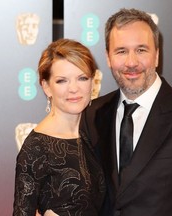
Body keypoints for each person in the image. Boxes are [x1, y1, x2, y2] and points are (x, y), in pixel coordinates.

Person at [80, 8, 172, 216]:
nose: (131, 62)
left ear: (157, 55)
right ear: (107, 57)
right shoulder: (91, 115)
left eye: (141, 50)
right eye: (121, 51)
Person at [13, 38, 106, 216]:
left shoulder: (95, 133)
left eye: (82, 78)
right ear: (46, 87)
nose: (74, 88)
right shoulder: (36, 147)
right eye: (62, 81)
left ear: (92, 82)